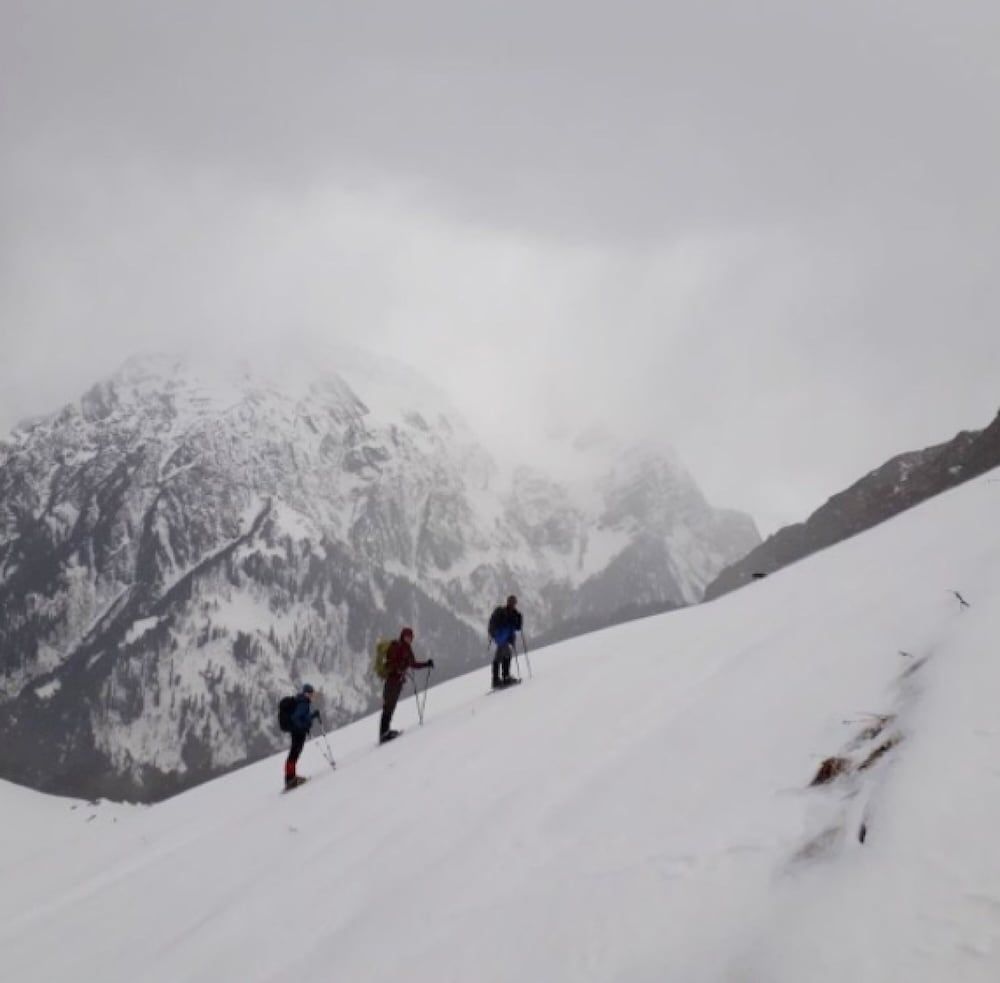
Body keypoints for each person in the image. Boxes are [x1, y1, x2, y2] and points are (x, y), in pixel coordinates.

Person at [380, 627, 433, 743]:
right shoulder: (397, 647)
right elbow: (391, 663)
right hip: (392, 681)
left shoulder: (407, 649)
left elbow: (413, 664)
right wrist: (398, 669)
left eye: (410, 637)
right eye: (408, 636)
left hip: (397, 681)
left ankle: (385, 731)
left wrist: (426, 664)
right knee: (388, 706)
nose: (409, 639)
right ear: (403, 636)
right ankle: (384, 734)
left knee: (391, 705)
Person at [285, 683, 320, 789]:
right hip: (298, 733)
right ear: (306, 693)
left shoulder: (302, 701)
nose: (312, 696)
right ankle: (290, 779)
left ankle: (291, 777)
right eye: (311, 694)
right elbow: (297, 718)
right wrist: (303, 727)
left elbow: (304, 717)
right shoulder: (303, 703)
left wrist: (312, 716)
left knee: (294, 754)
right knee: (294, 754)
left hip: (297, 732)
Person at [488, 595, 523, 688]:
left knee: (498, 658)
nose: (514, 605)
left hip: (499, 638)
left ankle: (495, 680)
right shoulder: (507, 613)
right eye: (513, 603)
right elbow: (513, 626)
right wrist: (517, 618)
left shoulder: (508, 612)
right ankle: (506, 678)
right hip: (502, 638)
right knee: (507, 655)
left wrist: (518, 619)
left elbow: (517, 627)